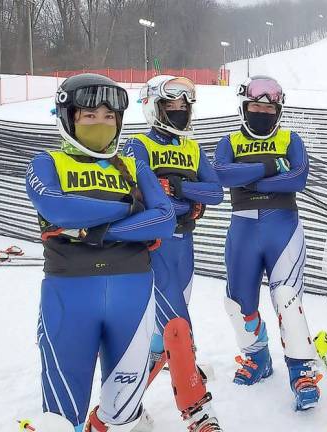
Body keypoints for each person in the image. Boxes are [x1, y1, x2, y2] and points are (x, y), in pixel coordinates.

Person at [24, 73, 176, 431]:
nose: (101, 124)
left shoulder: (133, 165)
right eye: (89, 116)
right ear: (69, 118)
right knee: (61, 419)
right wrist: (131, 208)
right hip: (69, 295)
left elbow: (165, 219)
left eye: (109, 116)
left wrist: (90, 230)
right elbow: (56, 208)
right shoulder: (47, 163)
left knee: (123, 417)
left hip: (133, 296)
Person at [212, 75, 321, 411]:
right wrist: (272, 166)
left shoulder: (291, 138)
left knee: (287, 298)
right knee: (238, 303)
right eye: (255, 106)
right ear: (244, 108)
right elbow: (222, 175)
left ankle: (301, 370)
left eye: (267, 107)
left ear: (278, 109)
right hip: (243, 227)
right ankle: (258, 359)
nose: (261, 112)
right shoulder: (229, 140)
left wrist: (247, 175)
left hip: (282, 226)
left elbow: (298, 178)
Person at [123, 75, 224, 431]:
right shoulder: (137, 145)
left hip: (185, 246)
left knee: (161, 337)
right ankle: (197, 412)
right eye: (171, 106)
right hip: (155, 246)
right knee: (178, 325)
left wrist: (181, 189)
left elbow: (216, 193)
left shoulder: (193, 148)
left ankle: (119, 410)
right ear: (155, 107)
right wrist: (188, 201)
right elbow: (148, 197)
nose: (179, 112)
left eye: (184, 107)